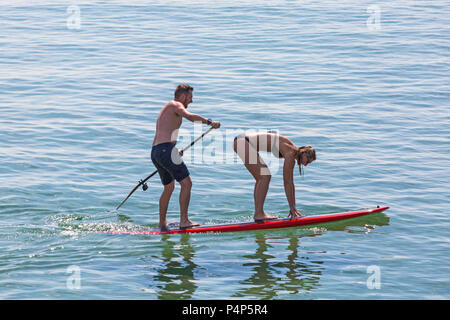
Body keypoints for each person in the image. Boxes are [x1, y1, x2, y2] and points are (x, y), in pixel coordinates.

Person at [151, 84, 220, 231]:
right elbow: (190, 116)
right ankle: (184, 221)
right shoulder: (175, 105)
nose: (191, 101)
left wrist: (173, 151)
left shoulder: (168, 109)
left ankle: (162, 223)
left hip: (157, 151)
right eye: (190, 98)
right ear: (182, 97)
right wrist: (209, 122)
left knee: (169, 187)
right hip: (165, 151)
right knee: (187, 184)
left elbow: (164, 136)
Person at [233, 131, 316, 222]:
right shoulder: (291, 153)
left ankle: (258, 213)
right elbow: (288, 182)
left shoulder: (290, 148)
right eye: (307, 161)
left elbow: (271, 138)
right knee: (264, 177)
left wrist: (293, 206)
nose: (306, 165)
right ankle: (259, 214)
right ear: (304, 153)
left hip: (242, 141)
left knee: (262, 177)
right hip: (243, 142)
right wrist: (292, 208)